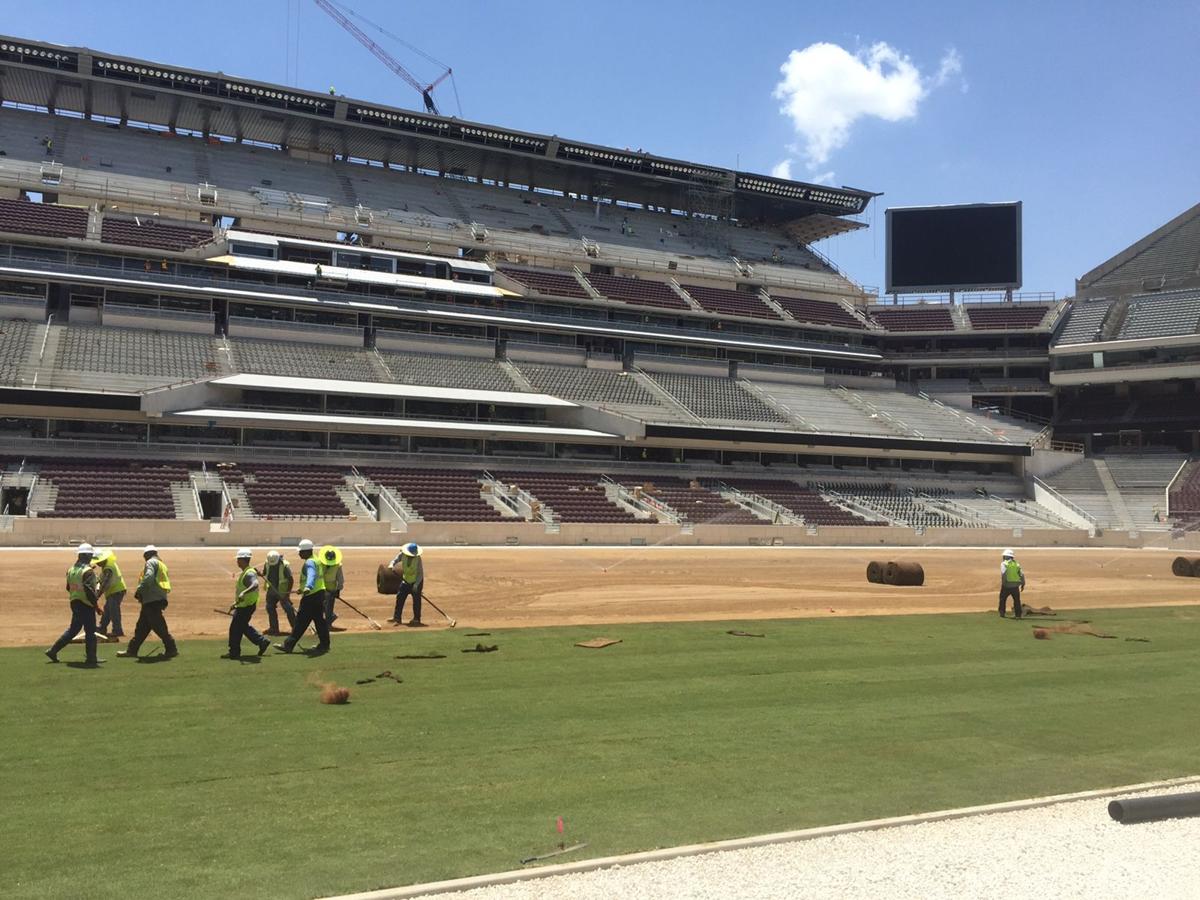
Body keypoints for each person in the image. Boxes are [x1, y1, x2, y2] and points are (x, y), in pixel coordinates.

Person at [45, 543, 104, 666]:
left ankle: (53, 650)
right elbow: (88, 590)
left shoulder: (71, 570)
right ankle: (91, 658)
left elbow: (68, 587)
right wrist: (96, 606)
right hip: (86, 604)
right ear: (87, 556)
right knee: (90, 631)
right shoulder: (87, 571)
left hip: (75, 602)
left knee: (74, 630)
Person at [117, 545, 179, 659]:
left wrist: (140, 590)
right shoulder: (161, 564)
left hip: (152, 598)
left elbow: (149, 577)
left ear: (147, 555)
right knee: (142, 627)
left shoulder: (151, 563)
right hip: (158, 597)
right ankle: (132, 650)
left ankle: (171, 649)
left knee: (158, 625)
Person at [275, 539, 330, 654]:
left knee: (301, 621)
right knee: (319, 621)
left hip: (311, 596)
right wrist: (302, 588)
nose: (299, 553)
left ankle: (288, 645)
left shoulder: (309, 562)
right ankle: (324, 645)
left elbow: (311, 575)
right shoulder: (316, 560)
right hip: (319, 594)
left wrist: (308, 587)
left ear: (306, 551)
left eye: (300, 551)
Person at [224, 549, 271, 659]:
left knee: (235, 629)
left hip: (246, 607)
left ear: (243, 560)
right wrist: (236, 603)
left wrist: (244, 593)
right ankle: (262, 641)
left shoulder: (249, 573)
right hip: (244, 605)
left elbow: (255, 584)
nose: (237, 561)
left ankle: (234, 652)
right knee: (242, 626)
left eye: (238, 559)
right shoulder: (246, 572)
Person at [388, 542, 424, 627]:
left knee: (416, 601)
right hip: (406, 580)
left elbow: (420, 574)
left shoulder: (418, 559)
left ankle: (416, 619)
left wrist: (416, 585)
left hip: (416, 582)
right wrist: (391, 564)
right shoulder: (402, 555)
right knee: (400, 597)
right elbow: (395, 560)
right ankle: (397, 618)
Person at [94, 549, 127, 638]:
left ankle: (117, 630)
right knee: (108, 610)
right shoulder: (108, 564)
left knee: (113, 610)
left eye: (98, 561)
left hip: (116, 591)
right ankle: (102, 628)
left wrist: (97, 595)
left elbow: (104, 583)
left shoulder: (108, 568)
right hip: (115, 590)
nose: (97, 564)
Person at [261, 550, 296, 635]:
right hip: (271, 591)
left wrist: (287, 594)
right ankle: (274, 628)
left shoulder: (284, 565)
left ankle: (296, 628)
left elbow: (291, 580)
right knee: (270, 608)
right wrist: (260, 573)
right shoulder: (268, 563)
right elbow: (265, 572)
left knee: (288, 609)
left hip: (282, 591)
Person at [320, 545, 345, 632]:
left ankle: (328, 624)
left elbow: (340, 579)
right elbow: (319, 577)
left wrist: (338, 590)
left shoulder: (338, 565)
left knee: (329, 607)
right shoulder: (320, 564)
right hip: (321, 589)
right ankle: (331, 617)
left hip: (331, 590)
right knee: (320, 606)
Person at [998, 548, 1026, 619]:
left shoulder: (1004, 564)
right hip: (1015, 585)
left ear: (1005, 557)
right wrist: (1023, 584)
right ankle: (1018, 615)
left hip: (1007, 585)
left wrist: (1004, 583)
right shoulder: (1017, 564)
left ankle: (1002, 613)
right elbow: (1022, 574)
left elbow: (1004, 574)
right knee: (1017, 600)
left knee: (1002, 599)